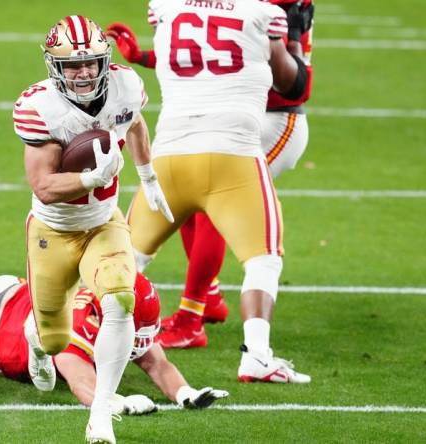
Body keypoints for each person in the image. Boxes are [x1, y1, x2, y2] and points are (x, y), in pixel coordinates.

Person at [107, 0, 312, 384]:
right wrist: (293, 39)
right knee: (263, 259)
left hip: (170, 154)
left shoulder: (164, 7)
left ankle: (75, 339)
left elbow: (192, 50)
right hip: (232, 152)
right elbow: (296, 85)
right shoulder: (262, 13)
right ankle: (257, 355)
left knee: (121, 258)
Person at [14, 15, 173, 443]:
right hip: (54, 230)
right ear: (54, 67)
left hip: (104, 222)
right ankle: (35, 340)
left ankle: (100, 412)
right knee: (52, 337)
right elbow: (44, 187)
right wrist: (90, 179)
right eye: (72, 65)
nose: (83, 72)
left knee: (121, 299)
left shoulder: (124, 86)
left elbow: (135, 123)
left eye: (91, 63)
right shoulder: (39, 107)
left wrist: (149, 177)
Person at [0, 273, 229, 415]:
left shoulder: (113, 304)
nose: (141, 340)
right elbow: (82, 383)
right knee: (10, 306)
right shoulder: (76, 328)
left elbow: (156, 362)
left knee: (32, 294)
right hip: (3, 349)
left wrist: (185, 393)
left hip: (25, 303)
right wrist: (118, 404)